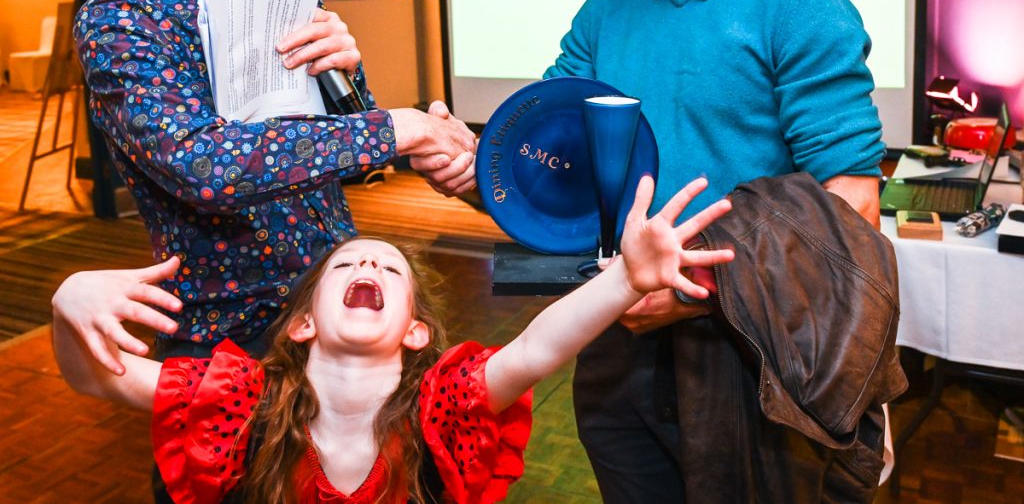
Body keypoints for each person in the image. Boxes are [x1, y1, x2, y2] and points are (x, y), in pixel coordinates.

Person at [545, 0, 886, 501]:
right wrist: (458, 151)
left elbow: (851, 213)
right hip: (617, 336)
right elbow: (549, 148)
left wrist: (700, 295)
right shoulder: (607, 7)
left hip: (746, 349)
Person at [71, 0, 476, 364]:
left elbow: (340, 163)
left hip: (340, 315)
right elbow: (202, 167)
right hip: (229, 346)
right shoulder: (125, 16)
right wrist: (401, 126)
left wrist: (353, 86)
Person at [52, 176, 735, 504]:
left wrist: (624, 282)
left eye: (388, 267)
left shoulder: (445, 401)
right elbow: (94, 377)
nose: (368, 266)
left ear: (414, 331)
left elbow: (532, 349)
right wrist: (66, 305)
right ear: (303, 323)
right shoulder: (245, 400)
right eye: (347, 264)